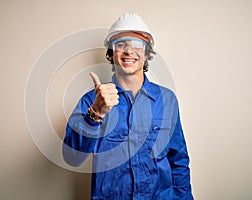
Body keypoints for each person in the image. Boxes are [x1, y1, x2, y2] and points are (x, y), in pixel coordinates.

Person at [63, 13, 193, 200]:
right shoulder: (91, 101)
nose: (128, 50)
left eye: (137, 44)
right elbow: (72, 157)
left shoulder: (167, 100)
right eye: (121, 44)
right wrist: (95, 114)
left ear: (147, 53)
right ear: (110, 53)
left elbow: (178, 160)